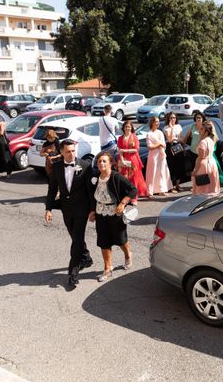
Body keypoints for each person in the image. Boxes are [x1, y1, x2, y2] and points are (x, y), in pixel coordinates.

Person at [44, 139, 93, 290]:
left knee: (77, 240)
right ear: (61, 152)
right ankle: (86, 257)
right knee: (74, 236)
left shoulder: (85, 166)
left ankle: (73, 274)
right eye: (68, 151)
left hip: (82, 209)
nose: (71, 154)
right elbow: (52, 189)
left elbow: (90, 191)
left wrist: (92, 210)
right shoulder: (57, 167)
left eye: (73, 151)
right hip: (66, 209)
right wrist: (48, 209)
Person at [88, 151, 137, 281]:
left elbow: (133, 190)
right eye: (99, 161)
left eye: (104, 161)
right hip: (100, 213)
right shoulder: (95, 177)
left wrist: (122, 203)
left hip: (115, 213)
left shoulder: (116, 177)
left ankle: (128, 255)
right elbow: (92, 196)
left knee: (120, 240)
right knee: (104, 241)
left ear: (110, 163)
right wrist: (92, 211)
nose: (101, 163)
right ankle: (107, 268)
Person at [116, 120, 148, 203]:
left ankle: (134, 197)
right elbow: (119, 150)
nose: (127, 128)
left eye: (129, 127)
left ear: (131, 128)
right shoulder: (120, 138)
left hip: (133, 159)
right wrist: (122, 159)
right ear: (123, 128)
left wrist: (125, 151)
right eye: (126, 127)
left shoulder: (134, 137)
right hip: (122, 159)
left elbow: (136, 149)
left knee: (133, 178)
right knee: (124, 179)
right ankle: (125, 196)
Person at [145, 116, 173, 196]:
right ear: (152, 123)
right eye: (156, 122)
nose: (158, 123)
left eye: (158, 121)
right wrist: (159, 144)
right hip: (153, 156)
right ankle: (151, 190)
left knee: (161, 172)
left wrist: (160, 145)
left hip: (161, 155)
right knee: (153, 172)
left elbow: (164, 144)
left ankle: (161, 189)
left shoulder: (160, 132)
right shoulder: (149, 134)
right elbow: (150, 147)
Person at [191, 121, 220, 196]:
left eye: (201, 129)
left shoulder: (203, 142)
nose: (199, 131)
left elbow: (201, 158)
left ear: (206, 132)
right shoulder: (210, 140)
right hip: (212, 163)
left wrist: (195, 170)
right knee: (211, 186)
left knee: (202, 188)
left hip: (204, 165)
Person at [163, 112, 185, 192]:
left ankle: (177, 185)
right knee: (171, 166)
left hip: (178, 146)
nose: (173, 119)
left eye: (174, 118)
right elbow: (169, 139)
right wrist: (171, 128)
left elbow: (181, 138)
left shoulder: (179, 126)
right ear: (168, 119)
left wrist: (176, 139)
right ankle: (171, 186)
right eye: (171, 118)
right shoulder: (166, 128)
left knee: (179, 165)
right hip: (170, 147)